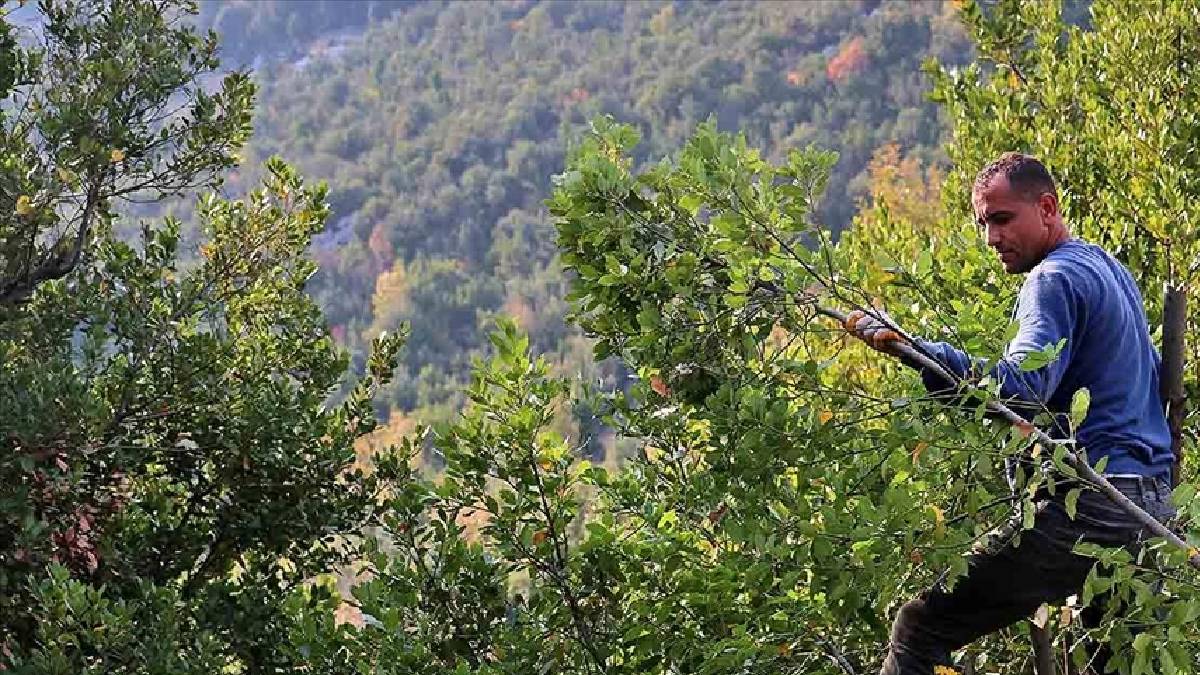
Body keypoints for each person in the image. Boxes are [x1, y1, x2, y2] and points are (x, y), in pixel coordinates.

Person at [844, 152, 1176, 675]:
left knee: (920, 628)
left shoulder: (1053, 279)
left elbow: (1018, 390)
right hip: (1150, 510)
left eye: (1002, 219)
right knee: (1111, 663)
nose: (991, 238)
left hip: (1093, 506)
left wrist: (913, 349)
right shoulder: (1109, 269)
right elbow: (1155, 378)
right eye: (983, 224)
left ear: (1047, 208)